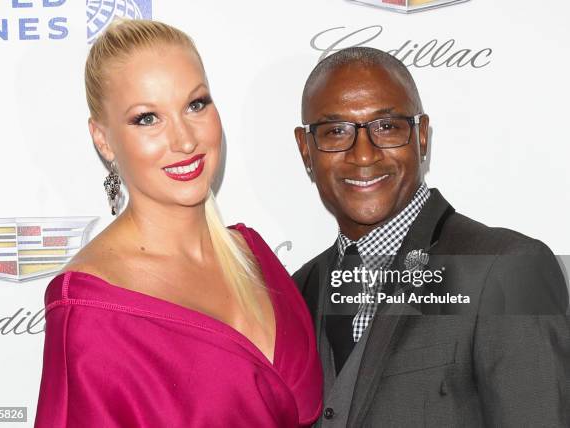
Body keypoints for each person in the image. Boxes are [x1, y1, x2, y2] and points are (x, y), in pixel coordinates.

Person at [34, 19, 322, 427]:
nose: (185, 140)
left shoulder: (254, 255)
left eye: (195, 104)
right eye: (147, 118)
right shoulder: (89, 311)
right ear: (102, 138)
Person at [292, 46, 569, 427]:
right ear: (306, 150)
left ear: (421, 136)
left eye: (386, 127)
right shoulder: (299, 289)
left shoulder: (508, 270)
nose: (363, 155)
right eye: (336, 131)